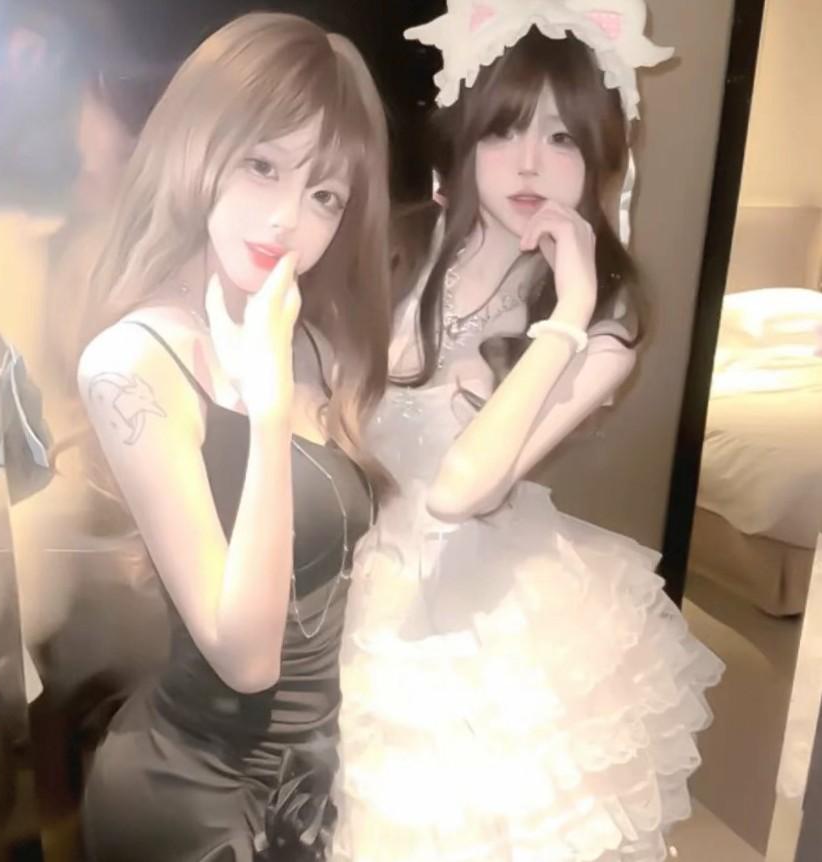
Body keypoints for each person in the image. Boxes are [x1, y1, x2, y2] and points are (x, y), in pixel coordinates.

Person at [332, 2, 724, 860]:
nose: (530, 165)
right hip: (338, 569)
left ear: (601, 157)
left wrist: (569, 312)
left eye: (562, 138)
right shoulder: (399, 245)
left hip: (471, 619)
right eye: (505, 130)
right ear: (467, 138)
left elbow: (462, 490)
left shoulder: (605, 325)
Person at [77, 13, 392, 861]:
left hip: (307, 789)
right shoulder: (132, 362)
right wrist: (266, 408)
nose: (287, 219)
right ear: (199, 147)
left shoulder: (301, 332)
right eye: (263, 165)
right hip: (195, 804)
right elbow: (246, 659)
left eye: (325, 195)